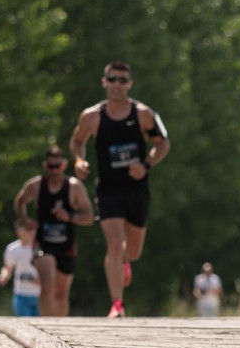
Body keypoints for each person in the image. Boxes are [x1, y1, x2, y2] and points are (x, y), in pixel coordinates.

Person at [70, 60, 171, 318]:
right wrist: (79, 161)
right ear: (104, 82)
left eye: (122, 80)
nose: (117, 85)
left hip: (136, 188)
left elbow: (163, 144)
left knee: (133, 251)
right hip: (108, 189)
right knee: (114, 243)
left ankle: (124, 263)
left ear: (130, 84)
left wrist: (146, 164)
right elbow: (77, 142)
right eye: (112, 79)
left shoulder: (143, 114)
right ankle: (117, 304)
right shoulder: (91, 116)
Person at [15, 145, 95, 317]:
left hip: (66, 245)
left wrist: (69, 217)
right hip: (43, 244)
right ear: (45, 166)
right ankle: (46, 324)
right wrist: (24, 220)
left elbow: (89, 217)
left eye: (57, 166)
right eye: (51, 167)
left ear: (64, 165)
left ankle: (60, 328)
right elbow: (20, 201)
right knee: (48, 283)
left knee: (61, 293)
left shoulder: (74, 187)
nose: (54, 170)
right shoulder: (36, 186)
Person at [0, 220, 41, 317]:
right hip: (21, 294)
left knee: (40, 323)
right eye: (23, 229)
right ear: (18, 231)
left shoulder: (39, 248)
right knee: (24, 323)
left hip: (39, 295)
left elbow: (48, 269)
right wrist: (4, 275)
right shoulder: (12, 249)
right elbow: (7, 267)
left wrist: (42, 279)